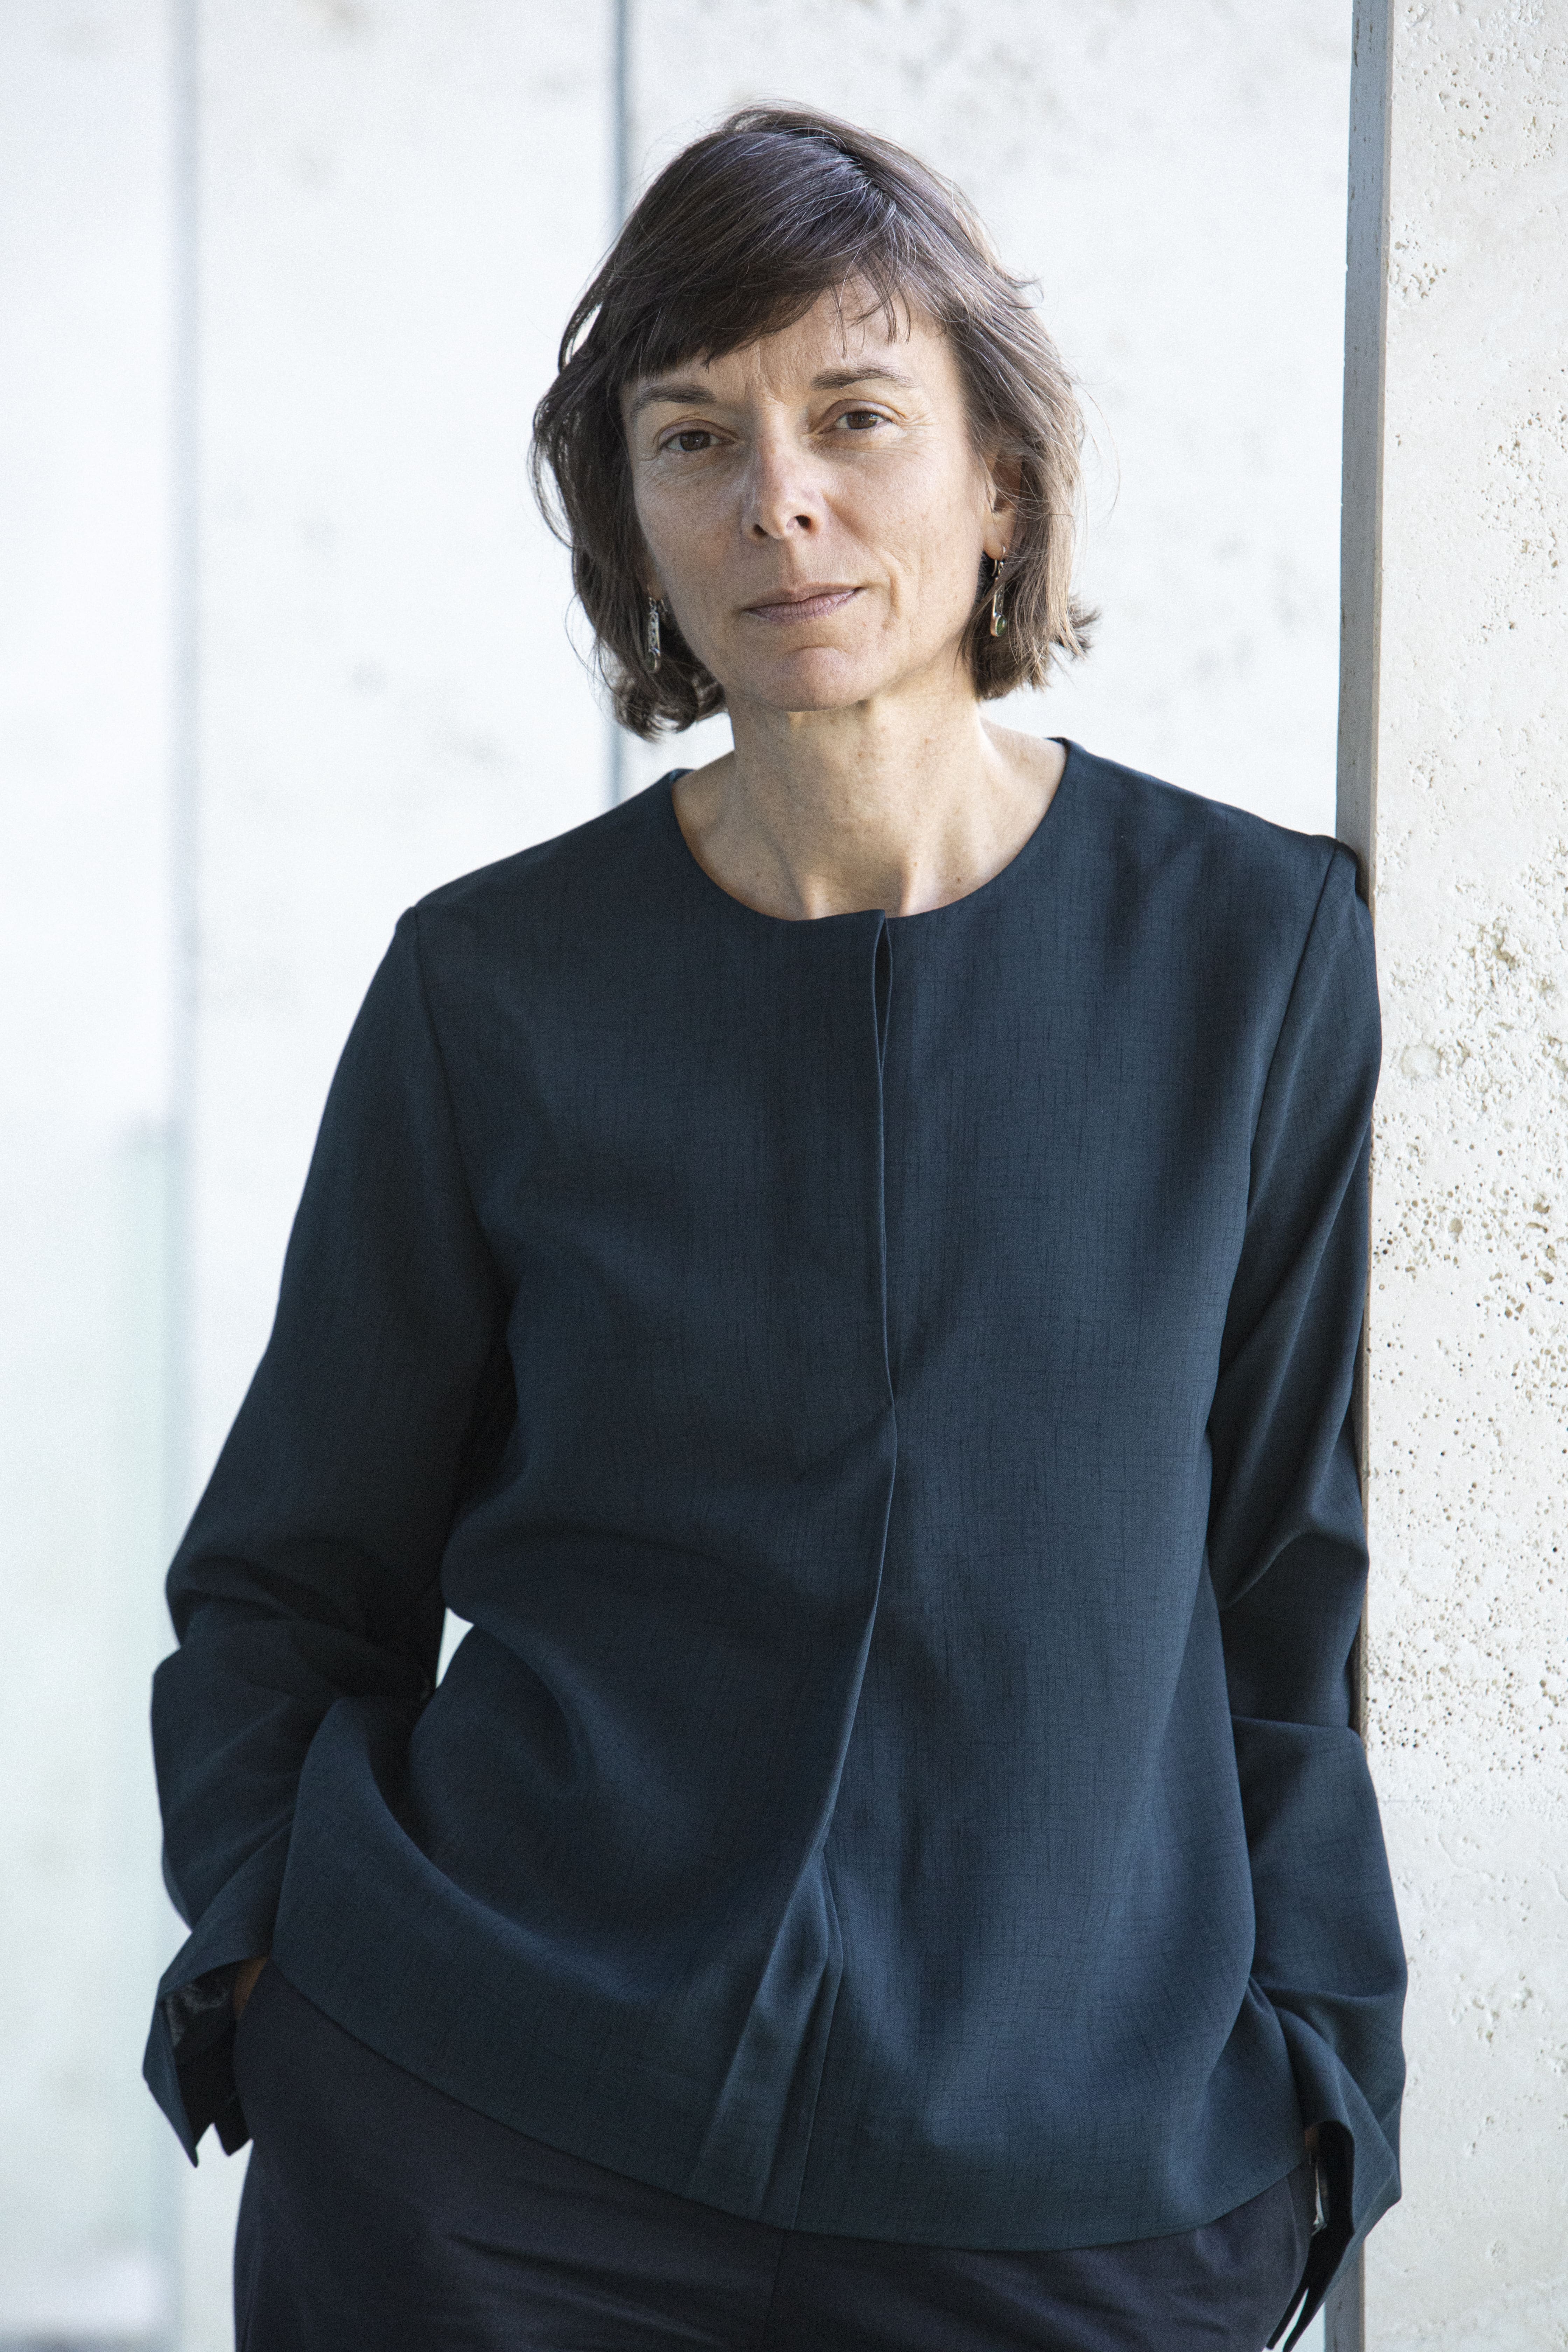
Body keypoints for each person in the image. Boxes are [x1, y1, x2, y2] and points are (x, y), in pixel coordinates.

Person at [146, 108, 1406, 2352]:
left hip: (1077, 2181)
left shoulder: (1256, 954)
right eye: (694, 439)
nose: (779, 500)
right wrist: (269, 1958)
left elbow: (1285, 1575)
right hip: (488, 2129)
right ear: (634, 529)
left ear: (998, 478)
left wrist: (1320, 2084)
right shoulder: (488, 986)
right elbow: (293, 1568)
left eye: (855, 417)